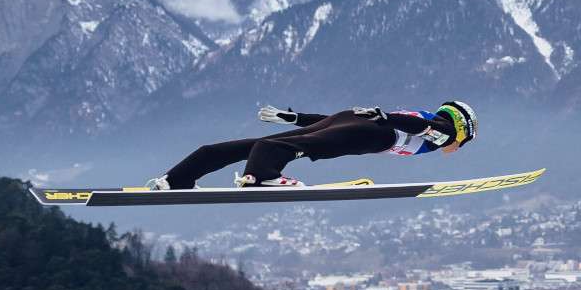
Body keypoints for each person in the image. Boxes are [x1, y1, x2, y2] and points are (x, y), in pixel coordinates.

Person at [145, 101, 477, 189]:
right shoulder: (445, 130)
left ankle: (178, 178)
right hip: (374, 133)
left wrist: (295, 118)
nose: (458, 147)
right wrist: (385, 117)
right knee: (308, 146)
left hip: (350, 118)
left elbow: (334, 120)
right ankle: (260, 177)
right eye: (465, 142)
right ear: (463, 129)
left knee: (255, 143)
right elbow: (421, 127)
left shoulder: (428, 118)